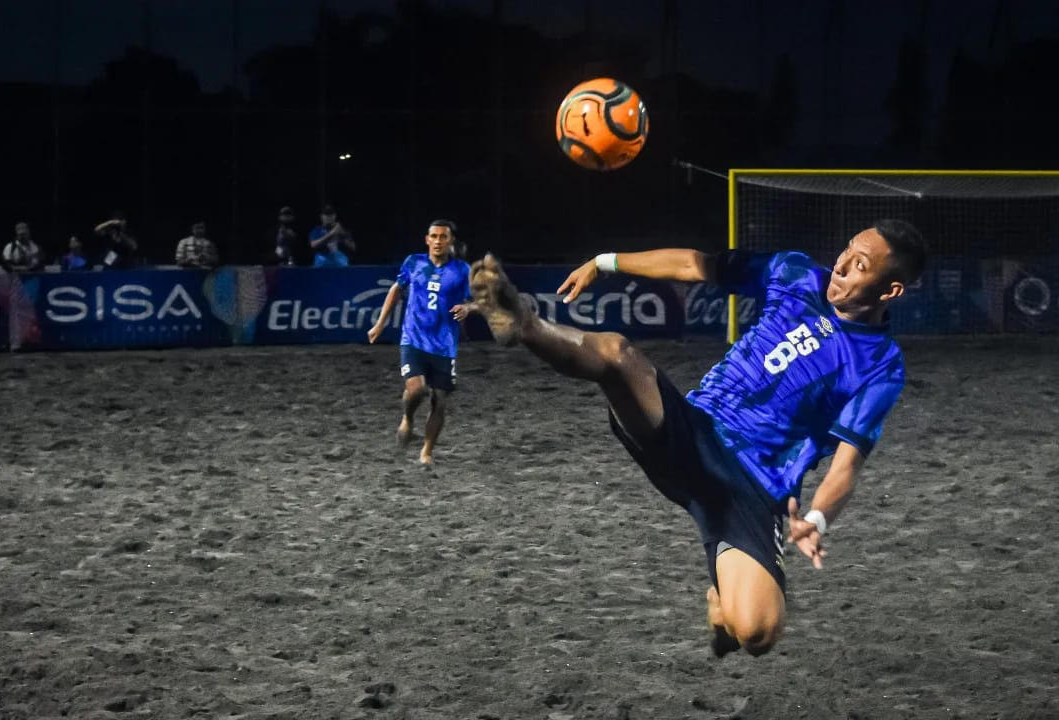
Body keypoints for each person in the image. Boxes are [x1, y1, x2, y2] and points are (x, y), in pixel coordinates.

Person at [469, 219, 926, 658]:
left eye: (861, 265)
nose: (842, 265)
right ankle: (524, 322)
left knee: (758, 633)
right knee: (617, 355)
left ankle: (720, 606)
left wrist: (818, 519)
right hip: (694, 430)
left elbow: (847, 464)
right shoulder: (796, 272)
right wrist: (604, 261)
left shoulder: (881, 366)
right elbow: (694, 264)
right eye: (847, 250)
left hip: (752, 488)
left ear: (891, 291)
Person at [367, 219, 476, 465]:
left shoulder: (462, 270)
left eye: (443, 237)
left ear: (451, 242)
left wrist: (468, 308)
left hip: (444, 345)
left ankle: (426, 451)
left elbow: (478, 300)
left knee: (439, 400)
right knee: (417, 389)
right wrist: (380, 323)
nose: (438, 241)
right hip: (413, 338)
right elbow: (396, 290)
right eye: (434, 236)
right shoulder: (413, 263)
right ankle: (407, 418)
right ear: (427, 239)